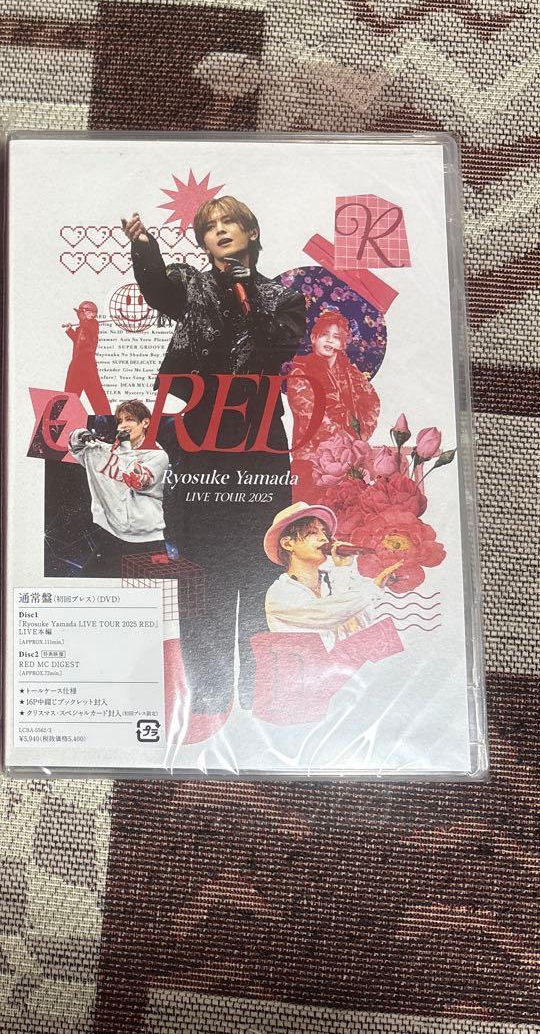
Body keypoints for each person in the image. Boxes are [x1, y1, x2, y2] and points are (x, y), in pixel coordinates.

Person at [121, 196, 306, 715]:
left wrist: (247, 294)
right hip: (201, 436)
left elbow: (279, 347)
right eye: (209, 227)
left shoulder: (284, 298)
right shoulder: (190, 285)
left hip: (259, 439)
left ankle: (255, 690)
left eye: (229, 223)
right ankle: (208, 692)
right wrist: (144, 246)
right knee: (201, 565)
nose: (220, 231)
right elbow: (157, 290)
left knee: (261, 559)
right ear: (202, 242)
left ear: (251, 232)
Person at [262, 502, 400, 649]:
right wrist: (373, 587)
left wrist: (348, 568)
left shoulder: (332, 579)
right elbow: (329, 614)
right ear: (288, 544)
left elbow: (357, 626)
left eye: (325, 533)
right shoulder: (279, 593)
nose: (324, 539)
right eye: (313, 532)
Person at [286, 306, 380, 499]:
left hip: (349, 459)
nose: (329, 340)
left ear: (343, 343)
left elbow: (371, 402)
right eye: (324, 335)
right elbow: (314, 419)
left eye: (336, 337)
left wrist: (361, 435)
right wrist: (349, 443)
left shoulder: (351, 373)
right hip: (311, 460)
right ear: (314, 338)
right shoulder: (300, 373)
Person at [68, 399, 169, 578]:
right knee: (87, 583)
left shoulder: (158, 455)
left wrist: (125, 447)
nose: (123, 425)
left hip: (148, 543)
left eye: (129, 419)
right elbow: (77, 449)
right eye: (120, 421)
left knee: (154, 591)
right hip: (113, 536)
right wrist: (79, 434)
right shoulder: (110, 451)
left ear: (145, 423)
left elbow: (137, 481)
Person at [62, 300, 111, 414]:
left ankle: (106, 419)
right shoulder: (81, 327)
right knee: (70, 395)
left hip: (87, 364)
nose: (79, 315)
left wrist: (84, 320)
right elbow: (78, 341)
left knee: (97, 395)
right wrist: (69, 330)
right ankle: (66, 418)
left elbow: (91, 330)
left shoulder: (93, 324)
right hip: (76, 363)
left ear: (91, 313)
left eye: (81, 312)